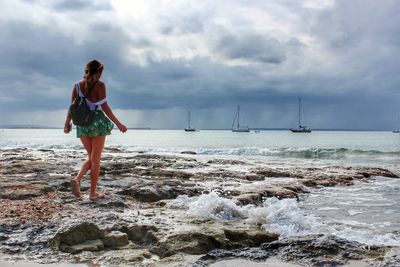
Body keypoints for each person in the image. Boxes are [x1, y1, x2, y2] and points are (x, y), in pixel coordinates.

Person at [64, 59, 127, 200]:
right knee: (95, 159)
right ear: (98, 71)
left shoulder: (77, 85)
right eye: (101, 72)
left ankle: (78, 179)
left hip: (81, 124)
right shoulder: (100, 86)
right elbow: (106, 108)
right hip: (96, 122)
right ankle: (92, 193)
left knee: (92, 157)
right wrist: (119, 124)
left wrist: (67, 123)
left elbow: (72, 107)